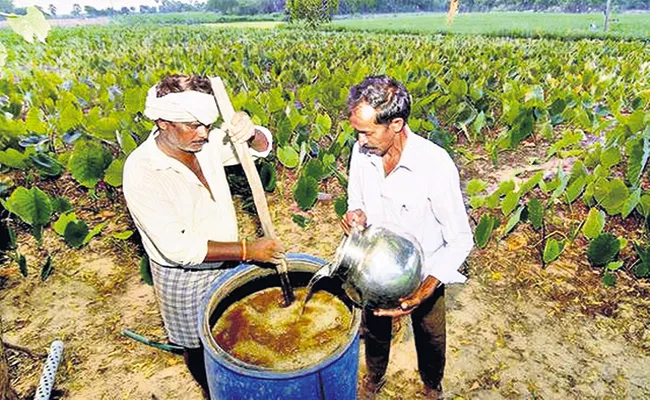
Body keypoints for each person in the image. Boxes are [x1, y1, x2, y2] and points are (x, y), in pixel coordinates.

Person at [122, 74, 285, 395]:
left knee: (236, 325)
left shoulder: (203, 141)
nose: (203, 133)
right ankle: (214, 391)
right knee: (197, 345)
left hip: (229, 259)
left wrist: (250, 134)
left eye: (207, 124)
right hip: (183, 273)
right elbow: (179, 249)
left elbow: (261, 148)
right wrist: (249, 250)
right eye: (193, 125)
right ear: (162, 122)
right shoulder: (142, 171)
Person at [341, 76, 474, 398]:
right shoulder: (363, 152)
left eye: (367, 132)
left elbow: (460, 239)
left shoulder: (434, 164)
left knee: (430, 333)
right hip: (376, 267)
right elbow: (355, 199)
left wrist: (425, 289)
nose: (359, 141)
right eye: (357, 131)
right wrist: (355, 214)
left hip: (426, 268)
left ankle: (432, 385)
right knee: (374, 328)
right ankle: (375, 377)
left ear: (396, 124)